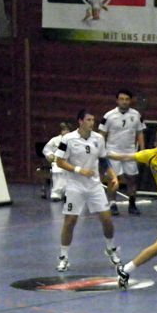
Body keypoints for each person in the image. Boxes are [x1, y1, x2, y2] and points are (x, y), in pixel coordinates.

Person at [54, 109, 121, 272]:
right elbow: (59, 161)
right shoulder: (68, 139)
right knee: (70, 221)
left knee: (107, 220)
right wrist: (79, 170)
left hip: (94, 186)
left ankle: (111, 249)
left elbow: (103, 160)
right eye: (89, 120)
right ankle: (63, 257)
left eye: (93, 120)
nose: (92, 123)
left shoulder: (98, 138)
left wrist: (113, 176)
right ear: (80, 121)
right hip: (75, 186)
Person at [99, 89, 146, 216]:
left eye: (126, 99)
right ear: (117, 100)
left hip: (130, 152)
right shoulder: (108, 116)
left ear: (130, 101)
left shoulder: (136, 115)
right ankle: (112, 204)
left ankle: (132, 204)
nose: (124, 102)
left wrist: (142, 151)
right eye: (121, 99)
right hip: (112, 152)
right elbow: (101, 134)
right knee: (113, 179)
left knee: (132, 179)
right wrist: (101, 151)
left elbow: (140, 133)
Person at [42, 122, 72, 201]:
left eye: (67, 130)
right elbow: (46, 149)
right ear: (61, 131)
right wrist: (50, 155)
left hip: (70, 162)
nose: (66, 132)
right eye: (64, 130)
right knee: (58, 171)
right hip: (57, 161)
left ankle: (67, 193)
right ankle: (56, 193)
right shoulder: (55, 140)